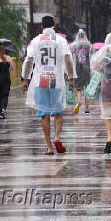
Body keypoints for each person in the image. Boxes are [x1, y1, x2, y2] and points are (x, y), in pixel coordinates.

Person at [22, 16, 75, 155]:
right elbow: (68, 59)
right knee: (58, 112)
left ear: (41, 26)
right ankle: (57, 137)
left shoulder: (35, 41)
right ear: (54, 25)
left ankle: (49, 147)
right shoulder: (61, 40)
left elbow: (28, 60)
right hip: (56, 80)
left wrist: (26, 79)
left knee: (43, 113)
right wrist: (71, 78)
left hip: (41, 81)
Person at [69, 29, 94, 114]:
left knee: (78, 88)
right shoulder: (89, 45)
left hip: (77, 69)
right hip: (87, 69)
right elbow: (92, 56)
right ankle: (87, 108)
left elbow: (71, 57)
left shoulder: (74, 45)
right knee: (87, 89)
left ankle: (79, 101)